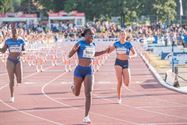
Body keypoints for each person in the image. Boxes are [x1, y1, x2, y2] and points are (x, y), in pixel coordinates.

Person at [68, 28, 109, 123]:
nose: (92, 36)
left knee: (89, 93)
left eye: (93, 35)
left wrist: (105, 51)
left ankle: (86, 116)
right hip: (79, 70)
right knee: (77, 93)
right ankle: (73, 88)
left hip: (89, 70)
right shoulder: (79, 43)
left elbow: (94, 54)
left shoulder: (93, 44)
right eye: (90, 34)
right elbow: (69, 55)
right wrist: (73, 51)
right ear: (85, 35)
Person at [108, 30, 137, 104]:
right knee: (119, 82)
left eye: (124, 34)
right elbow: (109, 51)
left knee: (127, 83)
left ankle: (125, 76)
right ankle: (119, 98)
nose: (123, 36)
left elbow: (135, 54)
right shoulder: (116, 44)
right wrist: (108, 49)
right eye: (121, 34)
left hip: (126, 62)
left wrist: (131, 56)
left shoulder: (128, 44)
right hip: (118, 62)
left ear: (126, 35)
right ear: (119, 36)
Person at [0, 27, 25, 103]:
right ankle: (12, 96)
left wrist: (23, 53)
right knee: (11, 80)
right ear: (11, 33)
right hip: (10, 60)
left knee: (20, 80)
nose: (14, 34)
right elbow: (3, 51)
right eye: (12, 32)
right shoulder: (8, 41)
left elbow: (24, 50)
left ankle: (18, 81)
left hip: (18, 60)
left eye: (15, 32)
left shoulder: (21, 41)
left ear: (17, 33)